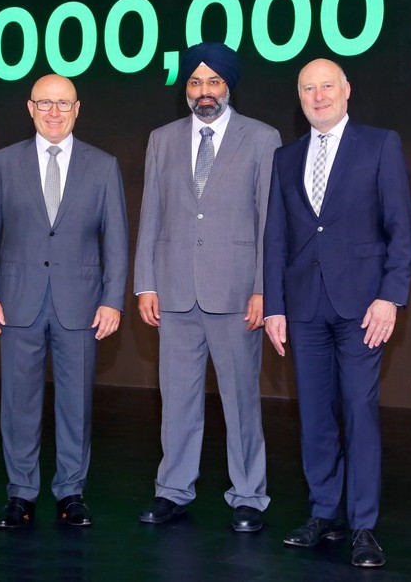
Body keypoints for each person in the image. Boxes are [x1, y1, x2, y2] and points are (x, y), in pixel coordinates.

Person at [263, 58, 411, 568]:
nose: (319, 96)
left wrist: (391, 296)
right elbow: (276, 238)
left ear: (346, 90)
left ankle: (363, 524)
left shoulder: (380, 145)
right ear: (299, 97)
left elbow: (400, 229)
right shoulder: (285, 158)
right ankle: (323, 511)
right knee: (313, 414)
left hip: (363, 307)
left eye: (327, 86)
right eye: (309, 88)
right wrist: (274, 307)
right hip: (303, 307)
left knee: (358, 409)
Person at [134, 42, 281, 533]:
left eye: (213, 82)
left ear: (228, 86)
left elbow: (270, 221)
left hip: (237, 294)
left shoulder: (261, 138)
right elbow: (151, 213)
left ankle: (249, 495)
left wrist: (264, 288)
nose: (204, 91)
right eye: (195, 82)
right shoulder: (162, 139)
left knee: (241, 401)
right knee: (176, 400)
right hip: (174, 292)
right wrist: (145, 283)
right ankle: (172, 490)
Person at [0, 73, 129, 529]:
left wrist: (113, 299)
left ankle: (71, 491)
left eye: (63, 104)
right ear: (30, 108)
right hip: (16, 302)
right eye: (45, 103)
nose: (54, 112)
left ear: (77, 110)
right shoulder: (4, 162)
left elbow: (116, 240)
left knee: (76, 404)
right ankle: (21, 492)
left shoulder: (103, 165)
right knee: (18, 402)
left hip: (81, 304)